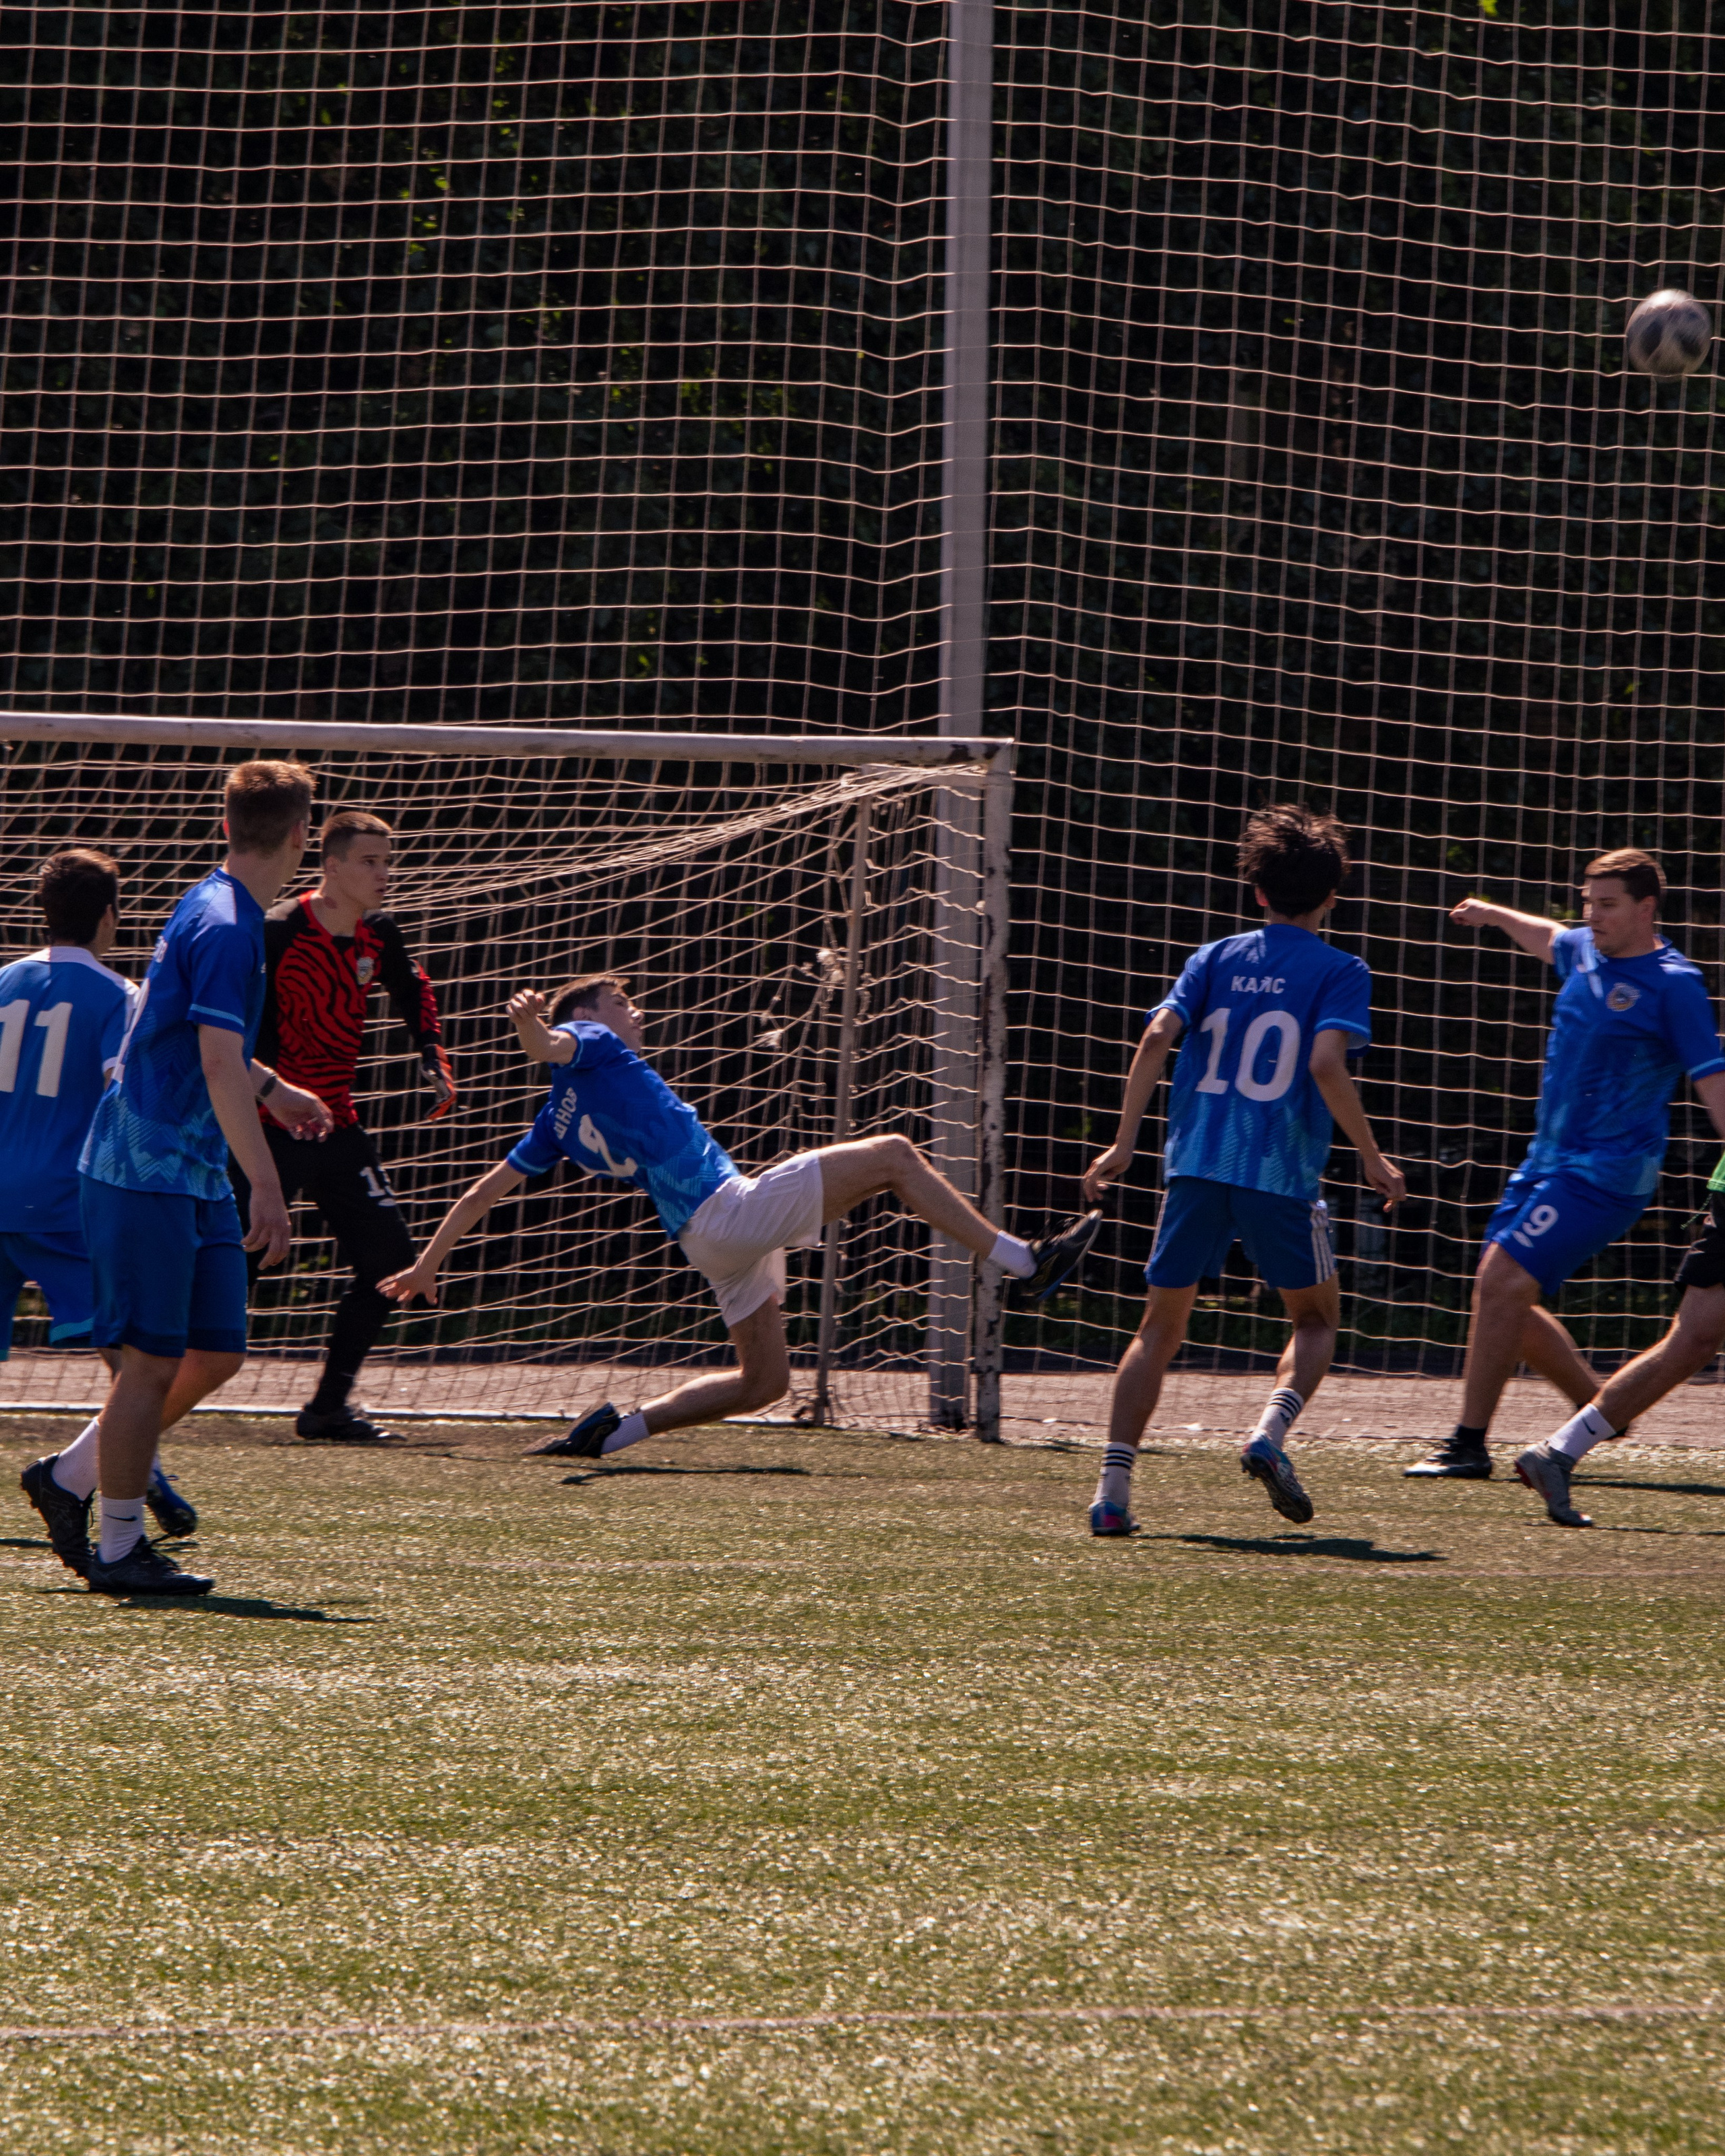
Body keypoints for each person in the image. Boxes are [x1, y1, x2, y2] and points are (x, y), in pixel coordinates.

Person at [379, 974, 1098, 1454]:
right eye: (622, 1001)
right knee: (896, 1155)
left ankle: (611, 1435)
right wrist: (533, 1026)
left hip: (705, 1239)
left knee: (764, 1384)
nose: (637, 1012)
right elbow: (551, 1043)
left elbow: (480, 1194)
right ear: (590, 1017)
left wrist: (427, 1265)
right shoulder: (595, 1043)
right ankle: (1024, 1263)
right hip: (728, 1211)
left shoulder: (553, 1121)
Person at [1079, 805, 1405, 1536]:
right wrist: (1372, 1155)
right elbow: (1325, 1064)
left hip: (1196, 1167)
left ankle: (1111, 1494)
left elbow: (1157, 1035)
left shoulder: (1214, 957)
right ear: (1332, 896)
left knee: (1157, 1330)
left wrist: (1124, 1143)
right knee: (1316, 1319)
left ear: (1257, 891)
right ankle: (1268, 1433)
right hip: (1279, 1176)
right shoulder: (1342, 971)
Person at [51, 761, 333, 1596]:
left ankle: (68, 1476)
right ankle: (117, 1547)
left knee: (214, 1352)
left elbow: (194, 1038)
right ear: (301, 834)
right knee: (149, 1362)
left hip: (194, 1171)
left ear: (226, 824)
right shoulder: (229, 925)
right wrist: (268, 1184)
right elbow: (212, 1061)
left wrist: (272, 1089)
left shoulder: (218, 903)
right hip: (145, 1170)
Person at [1406, 849, 1725, 1488]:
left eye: (1607, 904)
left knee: (1500, 1283)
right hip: (1546, 1162)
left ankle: (1468, 1444)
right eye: (1588, 902)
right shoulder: (1583, 949)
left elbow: (1712, 1081)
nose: (1592, 916)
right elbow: (1549, 936)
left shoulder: (1675, 984)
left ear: (1646, 908)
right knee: (1500, 1298)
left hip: (1607, 1173)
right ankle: (1599, 1409)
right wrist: (1494, 914)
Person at [230, 808, 456, 1445]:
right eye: (370, 862)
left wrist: (432, 1055)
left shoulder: (378, 934)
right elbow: (231, 1029)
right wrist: (269, 1093)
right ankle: (158, 1396)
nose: (385, 874)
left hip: (336, 1125)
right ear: (330, 867)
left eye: (388, 862)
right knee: (232, 1272)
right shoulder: (277, 931)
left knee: (391, 1262)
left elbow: (414, 987)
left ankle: (328, 1409)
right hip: (266, 1126)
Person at [8, 850, 206, 1551]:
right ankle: (136, 1469)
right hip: (65, 1199)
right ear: (110, 914)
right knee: (130, 1355)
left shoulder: (3, 980)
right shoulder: (119, 995)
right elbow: (125, 1092)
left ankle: (134, 1470)